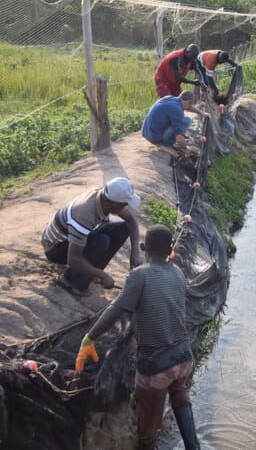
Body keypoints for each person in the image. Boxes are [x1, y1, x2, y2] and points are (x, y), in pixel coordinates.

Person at [75, 224, 200, 450]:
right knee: (179, 390)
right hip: (184, 357)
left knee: (147, 425)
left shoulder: (140, 275)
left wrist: (89, 339)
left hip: (156, 366)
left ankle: (147, 444)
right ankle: (194, 446)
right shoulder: (178, 272)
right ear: (170, 251)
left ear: (143, 248)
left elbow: (115, 310)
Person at [41, 177, 142, 295]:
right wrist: (102, 275)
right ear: (114, 204)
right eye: (124, 204)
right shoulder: (84, 214)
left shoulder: (105, 198)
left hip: (76, 238)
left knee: (122, 228)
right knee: (101, 241)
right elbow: (73, 258)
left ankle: (91, 272)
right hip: (56, 248)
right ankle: (71, 280)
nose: (126, 207)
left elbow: (131, 221)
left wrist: (135, 252)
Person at [141, 90, 208, 158]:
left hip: (146, 132)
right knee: (186, 121)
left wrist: (201, 113)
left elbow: (188, 107)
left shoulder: (169, 98)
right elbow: (179, 136)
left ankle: (161, 143)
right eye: (190, 104)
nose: (189, 106)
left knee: (181, 121)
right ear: (188, 102)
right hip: (154, 137)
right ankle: (166, 145)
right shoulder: (177, 110)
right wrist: (185, 149)